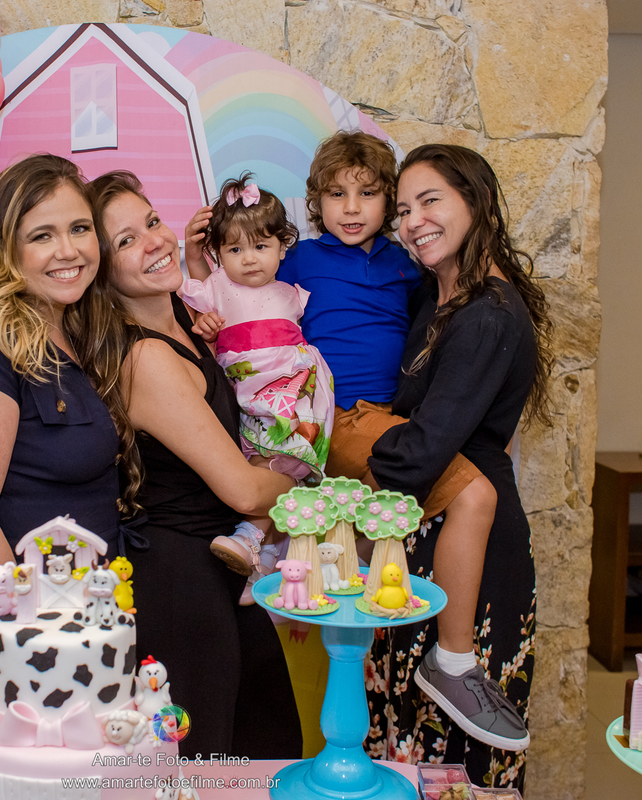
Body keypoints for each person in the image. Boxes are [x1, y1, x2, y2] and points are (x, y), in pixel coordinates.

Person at [274, 130, 507, 749]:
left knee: (371, 570)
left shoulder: (410, 267)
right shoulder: (300, 262)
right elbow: (248, 297)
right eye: (336, 194)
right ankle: (453, 662)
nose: (352, 208)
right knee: (476, 497)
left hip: (391, 418)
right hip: (342, 416)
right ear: (315, 202)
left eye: (371, 195)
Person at [75, 170, 303, 760]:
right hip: (181, 585)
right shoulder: (144, 356)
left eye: (151, 222)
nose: (152, 241)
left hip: (221, 570)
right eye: (125, 241)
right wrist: (313, 485)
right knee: (208, 764)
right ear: (101, 270)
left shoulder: (186, 320)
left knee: (262, 747)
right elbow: (244, 490)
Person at [365, 144, 553, 789]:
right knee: (405, 748)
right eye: (402, 210)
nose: (413, 221)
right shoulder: (435, 297)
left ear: (475, 201)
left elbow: (419, 455)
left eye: (430, 201)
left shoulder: (487, 315)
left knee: (455, 765)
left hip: (471, 545)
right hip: (423, 537)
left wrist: (348, 441)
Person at [0, 154, 123, 684]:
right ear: (5, 249)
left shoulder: (68, 331)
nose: (69, 250)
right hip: (21, 639)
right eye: (42, 236)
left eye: (80, 229)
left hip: (83, 623)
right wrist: (32, 639)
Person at [178, 173, 335, 595]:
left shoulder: (292, 293)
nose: (249, 259)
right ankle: (264, 560)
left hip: (292, 390)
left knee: (277, 459)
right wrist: (205, 319)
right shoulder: (217, 287)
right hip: (245, 395)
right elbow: (201, 290)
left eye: (261, 246)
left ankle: (250, 538)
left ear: (283, 246)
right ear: (217, 253)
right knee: (254, 466)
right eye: (234, 249)